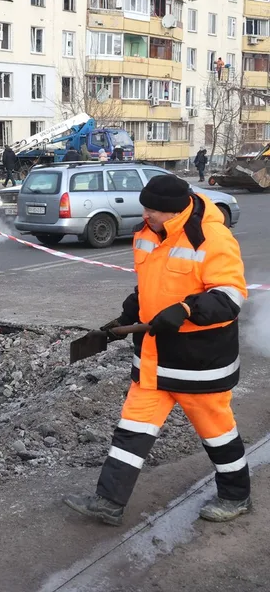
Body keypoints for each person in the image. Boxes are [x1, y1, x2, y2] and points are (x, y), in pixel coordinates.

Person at [64, 175, 250, 526]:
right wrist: (127, 316)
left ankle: (236, 496)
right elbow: (148, 286)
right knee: (131, 429)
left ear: (173, 211)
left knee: (218, 433)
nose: (144, 214)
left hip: (198, 362)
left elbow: (230, 297)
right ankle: (109, 502)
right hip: (153, 360)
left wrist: (187, 309)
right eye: (145, 207)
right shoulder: (147, 233)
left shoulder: (212, 238)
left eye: (151, 210)